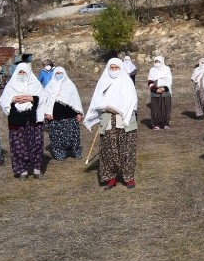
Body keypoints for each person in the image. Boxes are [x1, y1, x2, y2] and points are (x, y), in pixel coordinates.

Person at [84, 58, 139, 188]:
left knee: (127, 149)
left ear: (121, 68)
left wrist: (120, 109)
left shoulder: (127, 82)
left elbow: (133, 102)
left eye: (116, 68)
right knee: (108, 149)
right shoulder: (103, 82)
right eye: (112, 68)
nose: (114, 70)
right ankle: (110, 177)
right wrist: (106, 107)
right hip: (108, 119)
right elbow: (96, 101)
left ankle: (128, 177)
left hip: (124, 119)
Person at [0, 62, 47, 179]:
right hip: (17, 120)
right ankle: (22, 171)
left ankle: (36, 169)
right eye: (20, 72)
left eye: (24, 72)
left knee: (36, 144)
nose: (22, 74)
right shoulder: (11, 86)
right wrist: (13, 99)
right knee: (18, 146)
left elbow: (44, 98)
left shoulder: (35, 84)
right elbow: (3, 100)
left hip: (34, 120)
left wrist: (32, 98)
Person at [43, 66, 84, 160]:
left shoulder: (70, 85)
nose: (59, 75)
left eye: (60, 73)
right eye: (57, 73)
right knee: (56, 137)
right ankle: (59, 153)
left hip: (69, 115)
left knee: (73, 136)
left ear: (64, 74)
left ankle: (76, 152)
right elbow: (46, 100)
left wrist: (79, 113)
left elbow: (76, 99)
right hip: (55, 116)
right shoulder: (49, 86)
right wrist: (47, 112)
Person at [147, 55, 173, 130]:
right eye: (156, 61)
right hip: (155, 91)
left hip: (165, 91)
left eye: (158, 61)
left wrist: (164, 88)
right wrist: (155, 89)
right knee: (155, 108)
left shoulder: (167, 69)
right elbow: (149, 81)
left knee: (165, 107)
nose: (157, 63)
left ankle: (165, 123)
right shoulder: (152, 70)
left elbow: (169, 80)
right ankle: (156, 124)